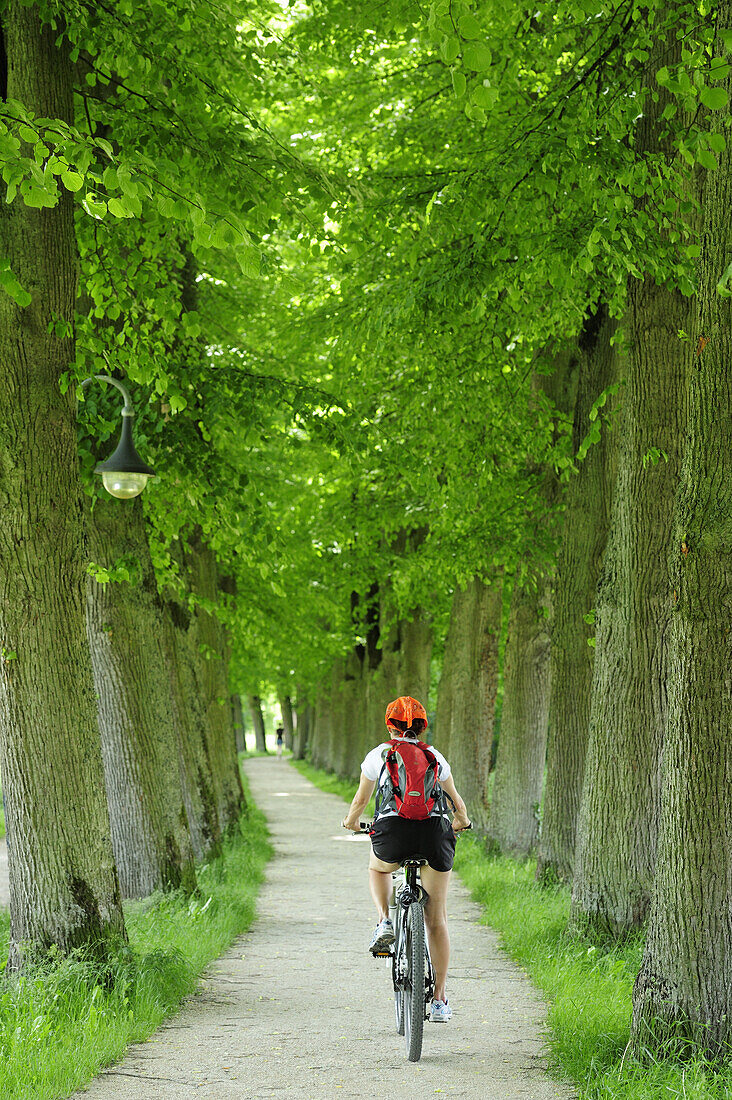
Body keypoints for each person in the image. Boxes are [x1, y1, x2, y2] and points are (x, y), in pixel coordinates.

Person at [341, 695, 471, 1023]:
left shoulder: (379, 755)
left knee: (377, 867)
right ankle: (439, 1000)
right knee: (436, 919)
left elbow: (361, 798)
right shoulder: (435, 756)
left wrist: (352, 822)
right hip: (434, 835)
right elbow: (457, 803)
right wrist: (462, 823)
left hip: (393, 833)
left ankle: (385, 919)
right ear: (423, 726)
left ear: (389, 724)